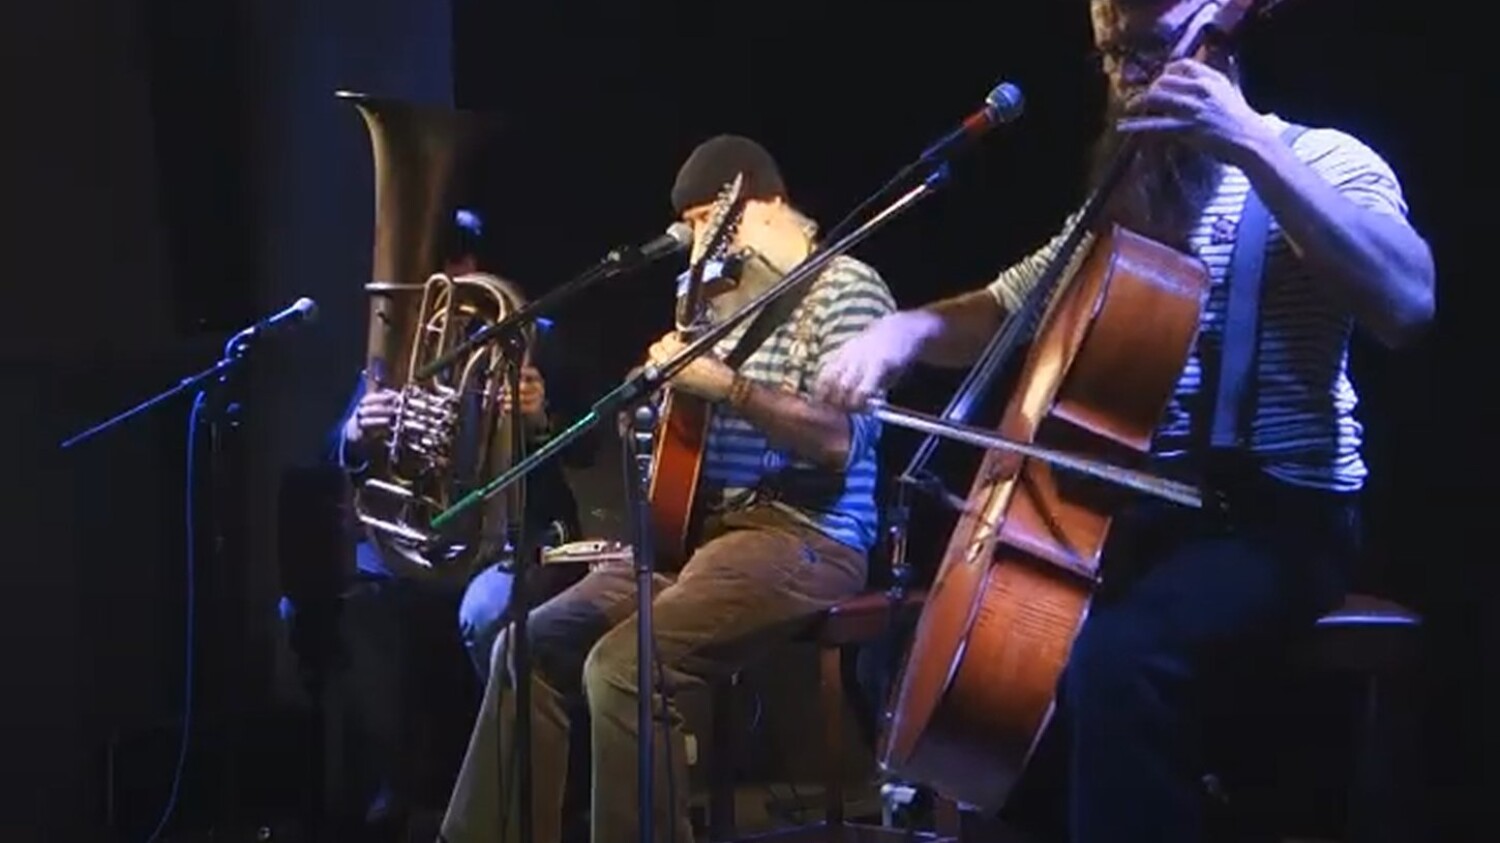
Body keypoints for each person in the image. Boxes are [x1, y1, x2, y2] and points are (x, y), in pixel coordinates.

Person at [813, 0, 1436, 840]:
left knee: (1118, 658)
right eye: (1111, 57)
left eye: (1146, 52)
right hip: (1139, 518)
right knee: (929, 659)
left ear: (1214, 41)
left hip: (1278, 518)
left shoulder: (1321, 160)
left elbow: (1408, 301)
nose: (1127, 80)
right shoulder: (1129, 202)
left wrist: (1251, 147)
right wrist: (903, 332)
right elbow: (1006, 306)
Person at [438, 135, 898, 843]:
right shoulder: (717, 306)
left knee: (624, 668)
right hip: (696, 537)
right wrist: (648, 406)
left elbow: (842, 441)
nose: (704, 246)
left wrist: (730, 388)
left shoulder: (847, 289)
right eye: (693, 230)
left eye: (714, 221)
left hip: (805, 534)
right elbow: (679, 447)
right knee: (527, 646)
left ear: (769, 204)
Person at [328, 208, 599, 840]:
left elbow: (588, 446)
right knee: (360, 602)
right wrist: (357, 432)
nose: (453, 273)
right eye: (438, 261)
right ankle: (397, 784)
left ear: (476, 261)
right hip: (427, 538)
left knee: (486, 614)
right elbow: (336, 446)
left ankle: (521, 791)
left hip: (515, 539)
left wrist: (539, 418)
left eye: (460, 258)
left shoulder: (536, 337)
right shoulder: (397, 343)